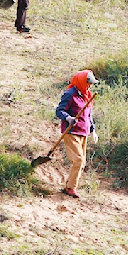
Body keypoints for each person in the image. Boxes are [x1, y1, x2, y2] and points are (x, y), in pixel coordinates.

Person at [55, 70, 97, 199]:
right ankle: (71, 188)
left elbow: (88, 115)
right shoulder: (70, 94)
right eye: (88, 83)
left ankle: (69, 186)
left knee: (81, 162)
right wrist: (69, 118)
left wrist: (93, 131)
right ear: (82, 82)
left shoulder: (87, 95)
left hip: (83, 132)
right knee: (78, 160)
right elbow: (59, 111)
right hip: (71, 132)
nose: (90, 86)